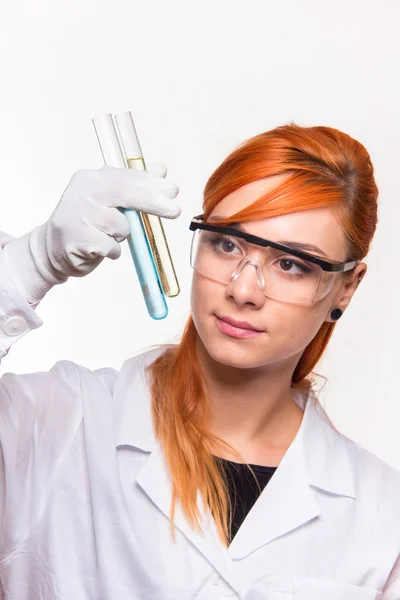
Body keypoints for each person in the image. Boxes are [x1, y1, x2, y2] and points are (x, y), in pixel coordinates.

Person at [0, 123, 399, 599]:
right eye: (227, 243)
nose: (243, 289)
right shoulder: (56, 423)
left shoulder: (381, 515)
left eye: (291, 263)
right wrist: (29, 265)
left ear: (347, 288)